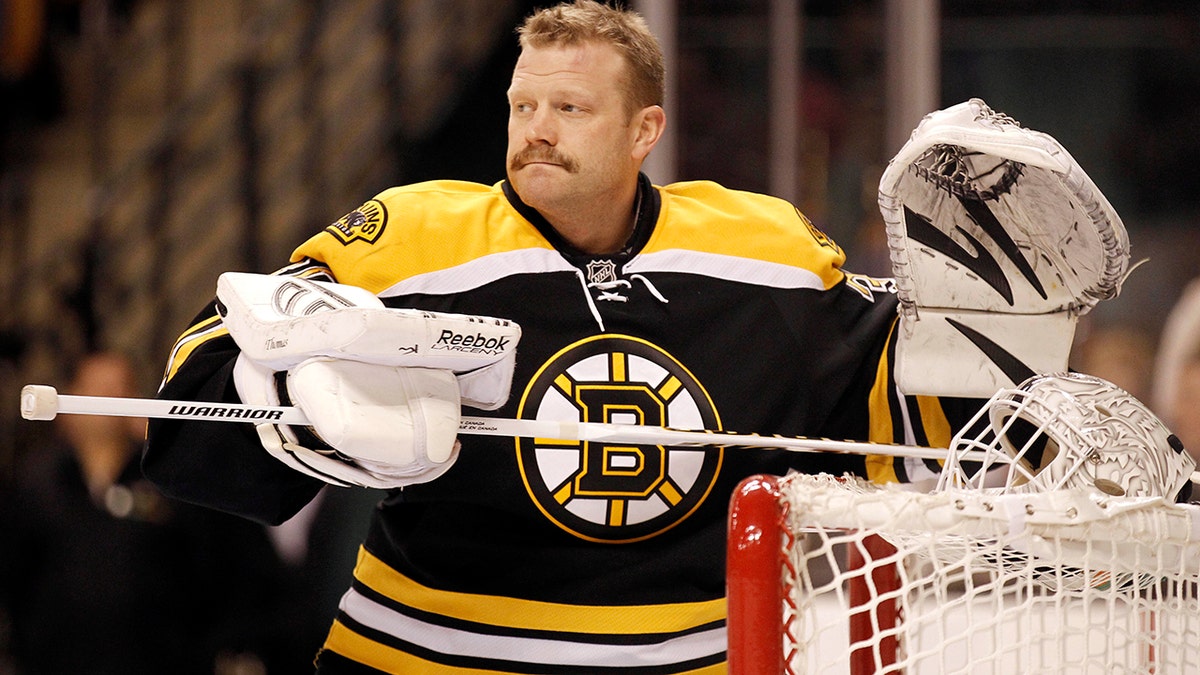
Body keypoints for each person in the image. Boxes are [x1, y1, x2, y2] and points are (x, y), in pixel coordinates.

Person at [141, 2, 1115, 672]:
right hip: (427, 654)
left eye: (569, 108)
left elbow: (903, 433)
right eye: (523, 105)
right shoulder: (415, 237)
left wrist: (989, 336)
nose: (535, 130)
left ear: (646, 129)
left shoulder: (761, 250)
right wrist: (286, 406)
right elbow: (216, 357)